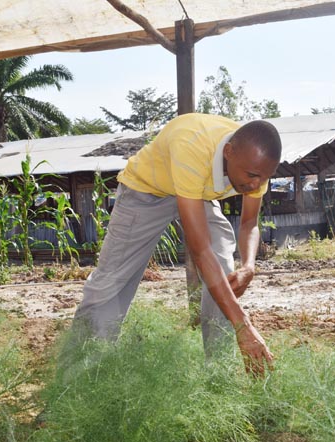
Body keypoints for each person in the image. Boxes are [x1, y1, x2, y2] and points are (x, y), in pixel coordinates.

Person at [72, 113, 281, 375]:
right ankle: (78, 376)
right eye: (251, 176)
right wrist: (244, 324)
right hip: (146, 192)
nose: (255, 184)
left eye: (263, 179)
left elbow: (249, 223)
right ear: (228, 152)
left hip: (197, 195)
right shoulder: (193, 145)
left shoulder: (257, 163)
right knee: (111, 282)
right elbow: (200, 250)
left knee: (226, 271)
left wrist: (249, 266)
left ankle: (220, 375)